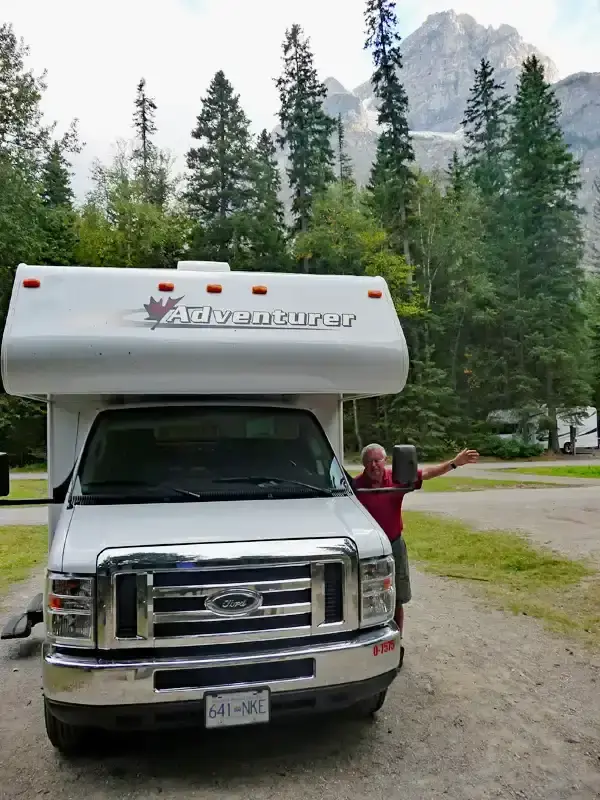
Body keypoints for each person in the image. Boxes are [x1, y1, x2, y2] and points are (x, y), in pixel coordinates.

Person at [352, 443, 479, 637]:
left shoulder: (397, 478)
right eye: (369, 462)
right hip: (367, 550)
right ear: (363, 464)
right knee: (366, 596)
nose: (374, 465)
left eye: (377, 460)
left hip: (394, 545)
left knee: (397, 596)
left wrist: (455, 463)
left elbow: (427, 473)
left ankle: (396, 639)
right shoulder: (354, 487)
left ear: (385, 461)